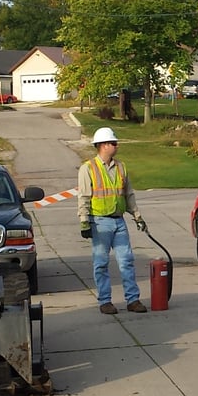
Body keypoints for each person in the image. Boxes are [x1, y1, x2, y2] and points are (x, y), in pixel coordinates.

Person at [78, 127, 149, 314]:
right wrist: (84, 221)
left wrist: (137, 216)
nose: (116, 146)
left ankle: (133, 300)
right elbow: (84, 196)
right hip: (99, 222)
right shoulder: (88, 168)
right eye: (113, 143)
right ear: (103, 145)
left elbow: (128, 194)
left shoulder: (121, 167)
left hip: (119, 221)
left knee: (127, 261)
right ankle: (105, 301)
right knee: (101, 263)